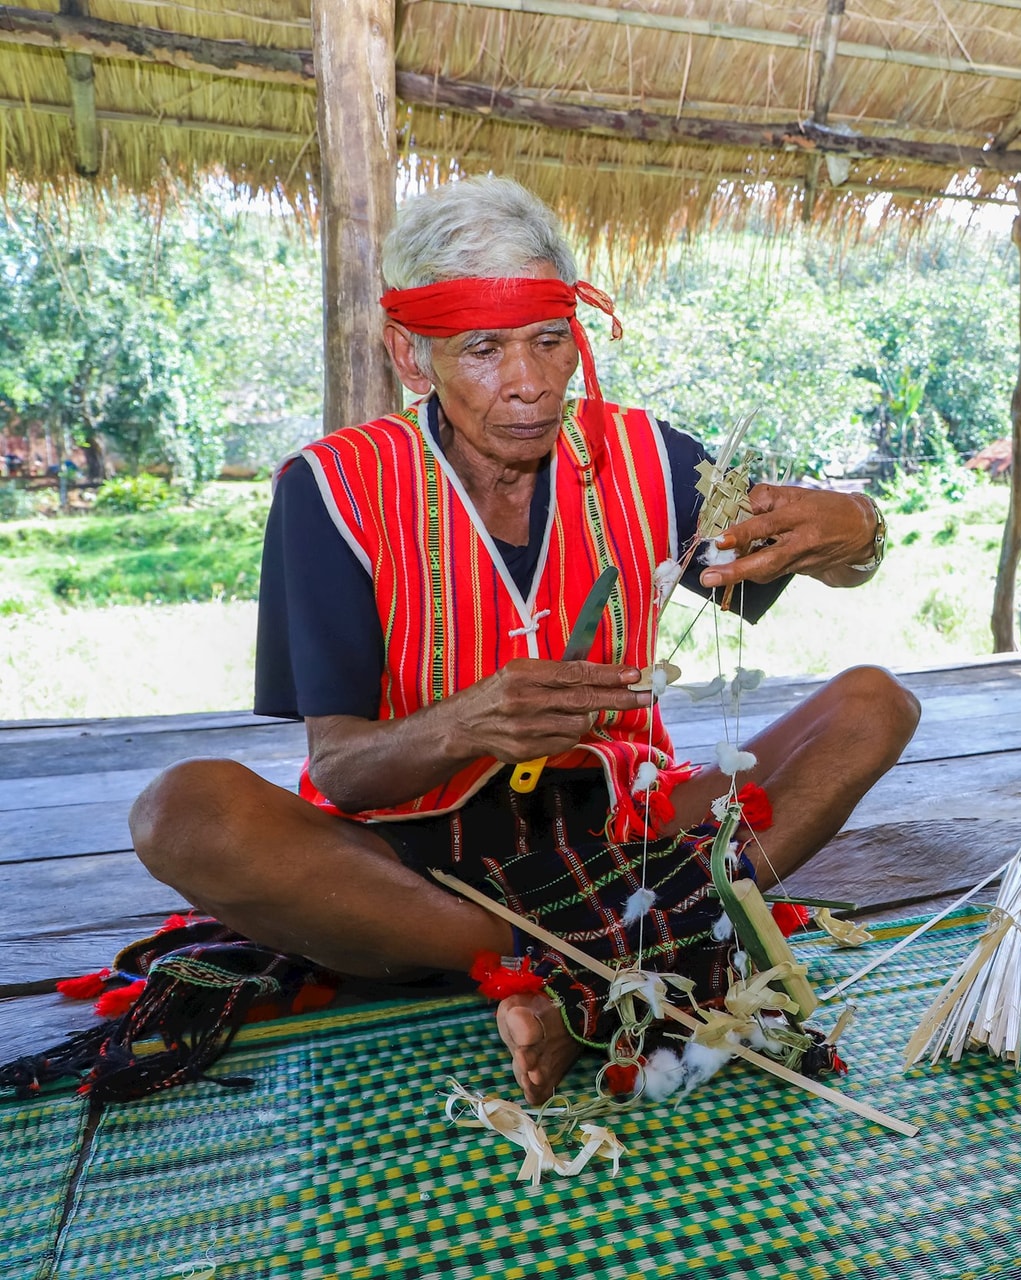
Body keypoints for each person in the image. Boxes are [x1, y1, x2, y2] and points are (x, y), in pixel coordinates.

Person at [70, 177, 917, 1105]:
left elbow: (805, 556)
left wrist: (858, 535)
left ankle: (573, 961)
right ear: (412, 353)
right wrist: (462, 725)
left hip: (627, 834)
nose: (530, 380)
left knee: (877, 705)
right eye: (484, 348)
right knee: (182, 812)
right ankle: (564, 964)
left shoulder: (648, 458)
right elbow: (344, 771)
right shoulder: (333, 490)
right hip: (408, 858)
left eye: (550, 340)